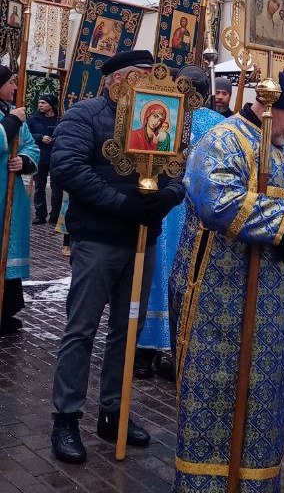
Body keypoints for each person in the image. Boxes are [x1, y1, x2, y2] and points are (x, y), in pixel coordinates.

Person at [173, 71, 284, 491]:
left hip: (275, 303)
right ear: (269, 105)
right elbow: (216, 203)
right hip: (216, 294)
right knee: (214, 396)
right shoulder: (223, 141)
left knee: (266, 399)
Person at [49, 50, 185, 464]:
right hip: (99, 240)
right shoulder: (85, 117)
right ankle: (66, 416)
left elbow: (180, 170)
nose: (146, 85)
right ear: (114, 80)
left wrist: (163, 200)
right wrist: (122, 204)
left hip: (142, 241)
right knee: (82, 329)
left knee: (128, 331)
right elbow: (68, 168)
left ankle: (114, 410)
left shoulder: (167, 121)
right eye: (138, 77)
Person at [134, 67, 222, 381]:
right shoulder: (219, 125)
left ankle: (144, 352)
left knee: (155, 276)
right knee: (184, 278)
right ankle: (176, 351)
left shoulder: (166, 114)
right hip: (195, 211)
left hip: (162, 206)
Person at [0, 66, 40, 336]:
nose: (15, 88)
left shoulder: (12, 113)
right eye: (11, 83)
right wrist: (12, 121)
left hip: (11, 193)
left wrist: (23, 160)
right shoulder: (12, 116)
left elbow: (30, 145)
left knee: (8, 251)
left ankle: (6, 309)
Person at [27, 94, 62, 225]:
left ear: (51, 105)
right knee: (39, 187)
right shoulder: (33, 119)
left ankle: (55, 216)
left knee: (56, 188)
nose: (40, 105)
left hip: (55, 157)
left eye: (43, 103)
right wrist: (40, 137)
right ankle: (40, 215)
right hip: (40, 157)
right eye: (39, 102)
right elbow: (26, 134)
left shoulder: (59, 119)